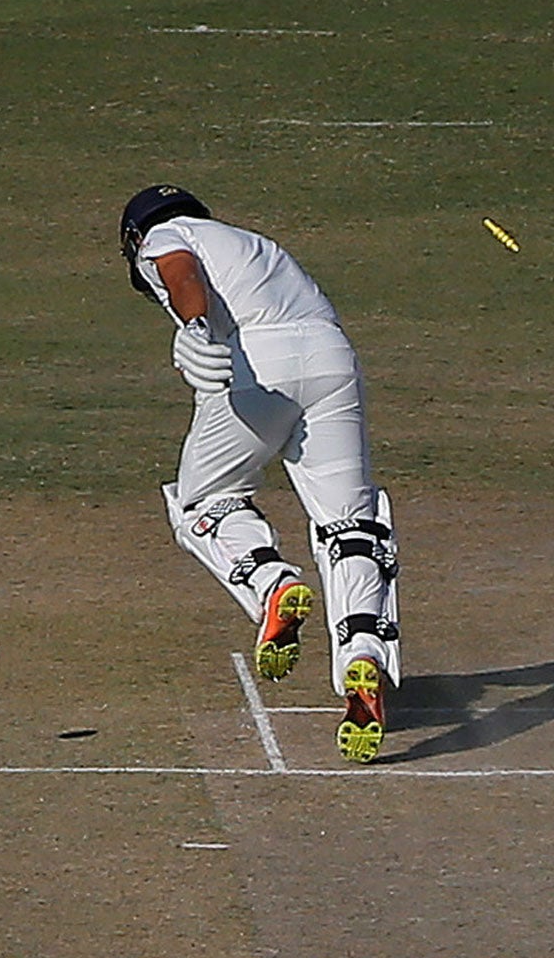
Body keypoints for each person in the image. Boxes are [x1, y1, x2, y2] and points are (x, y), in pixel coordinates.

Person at [119, 185, 403, 762]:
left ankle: (272, 584)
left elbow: (180, 275)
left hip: (257, 364)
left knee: (202, 502)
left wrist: (193, 328)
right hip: (332, 359)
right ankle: (363, 655)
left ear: (133, 236)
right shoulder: (258, 245)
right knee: (351, 524)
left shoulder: (164, 237)